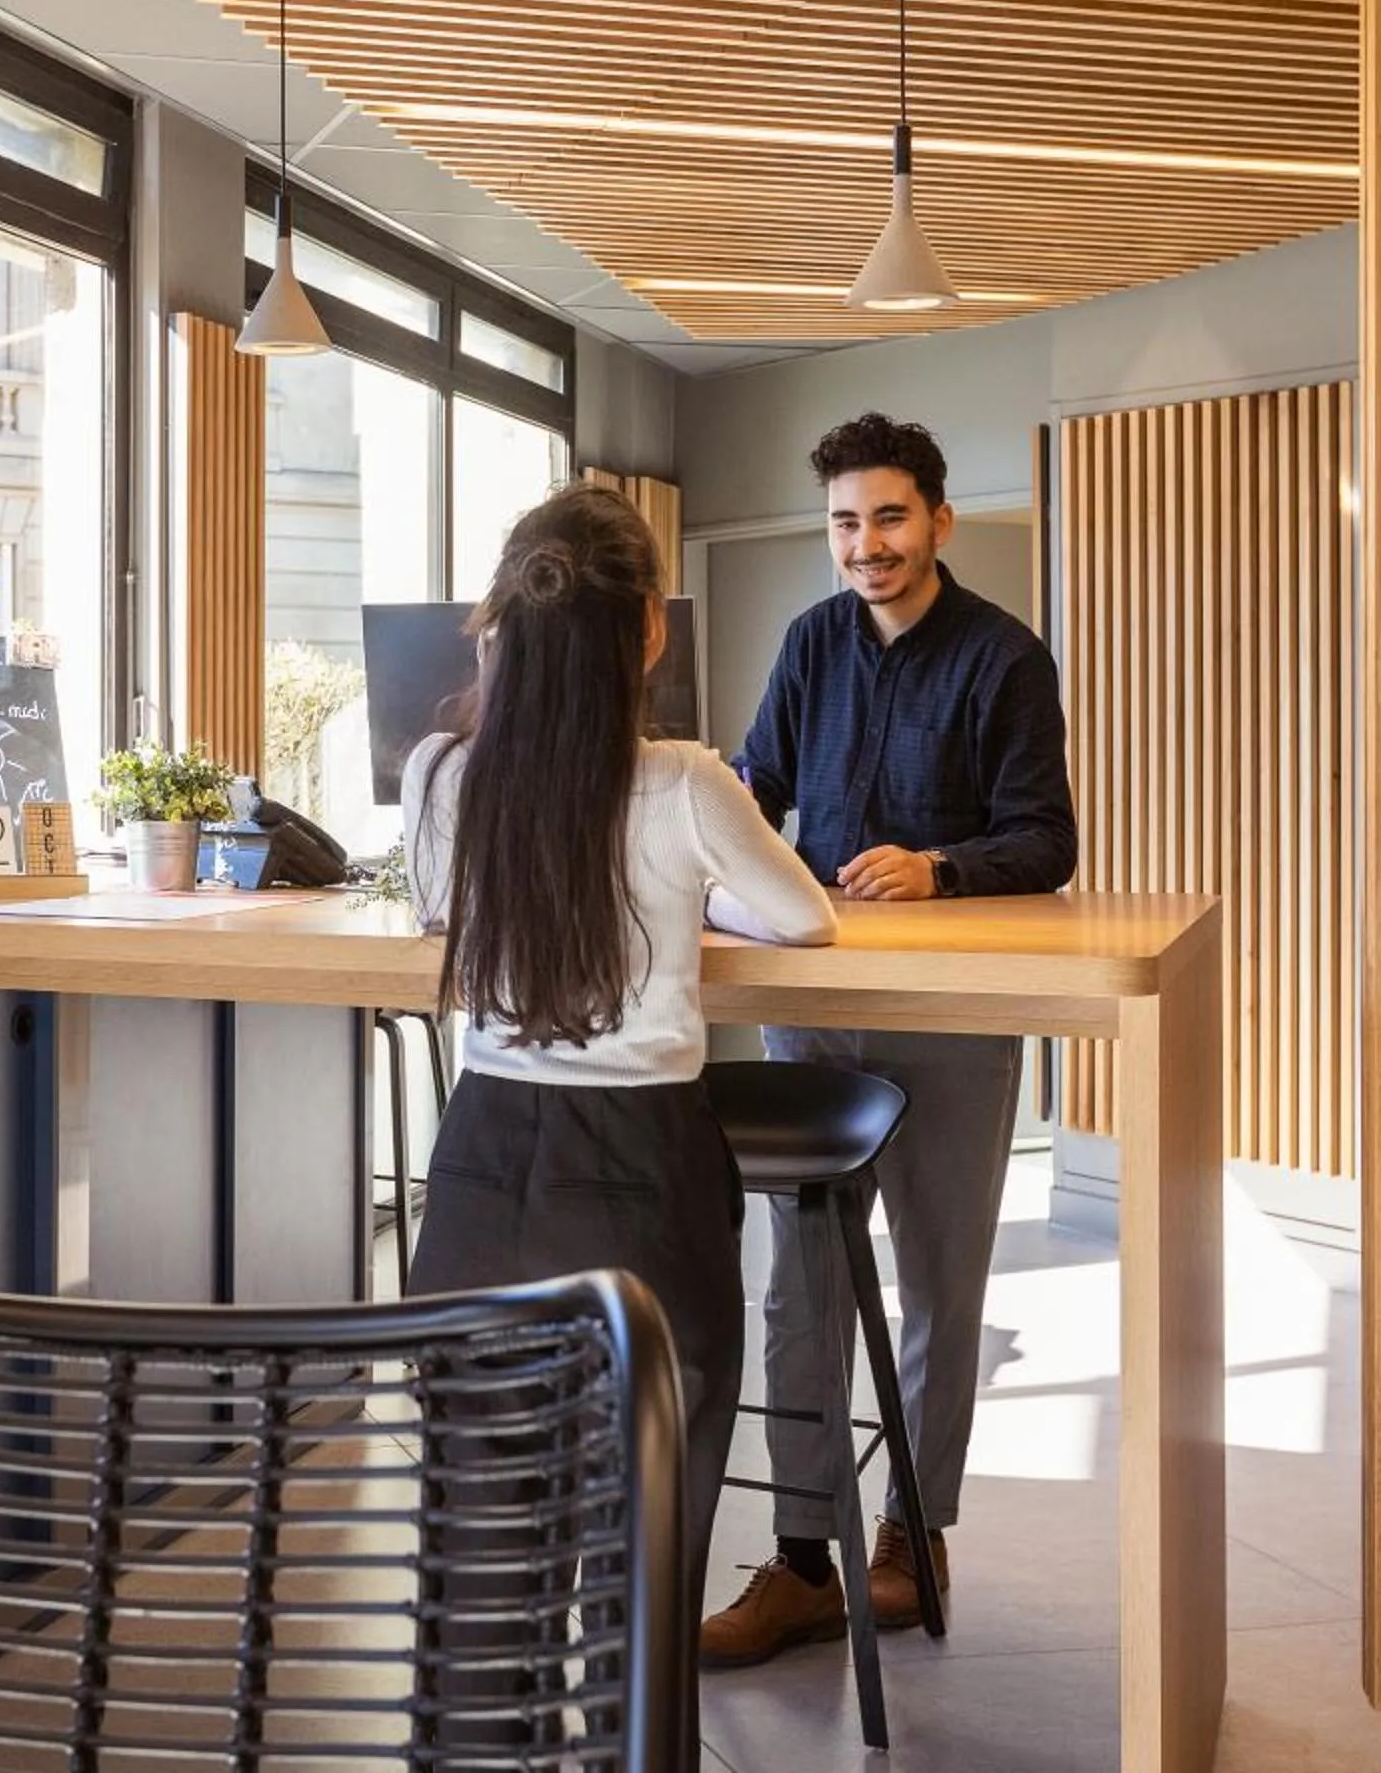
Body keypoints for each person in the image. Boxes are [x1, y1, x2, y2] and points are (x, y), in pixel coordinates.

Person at [402, 483, 837, 1741]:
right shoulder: (685, 781)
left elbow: (437, 910)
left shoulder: (439, 773)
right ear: (650, 628)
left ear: (498, 624)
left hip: (482, 1168)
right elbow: (805, 917)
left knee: (479, 1562)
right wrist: (691, 899)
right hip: (644, 1181)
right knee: (642, 1555)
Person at [700, 411, 1078, 1667]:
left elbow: (1047, 838)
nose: (867, 543)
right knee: (800, 1285)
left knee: (940, 1281)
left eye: (890, 517)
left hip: (951, 1013)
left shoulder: (1006, 657)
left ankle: (915, 1538)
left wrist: (940, 866)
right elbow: (755, 785)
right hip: (815, 1005)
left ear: (939, 521)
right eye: (846, 522)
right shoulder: (811, 640)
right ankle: (804, 1558)